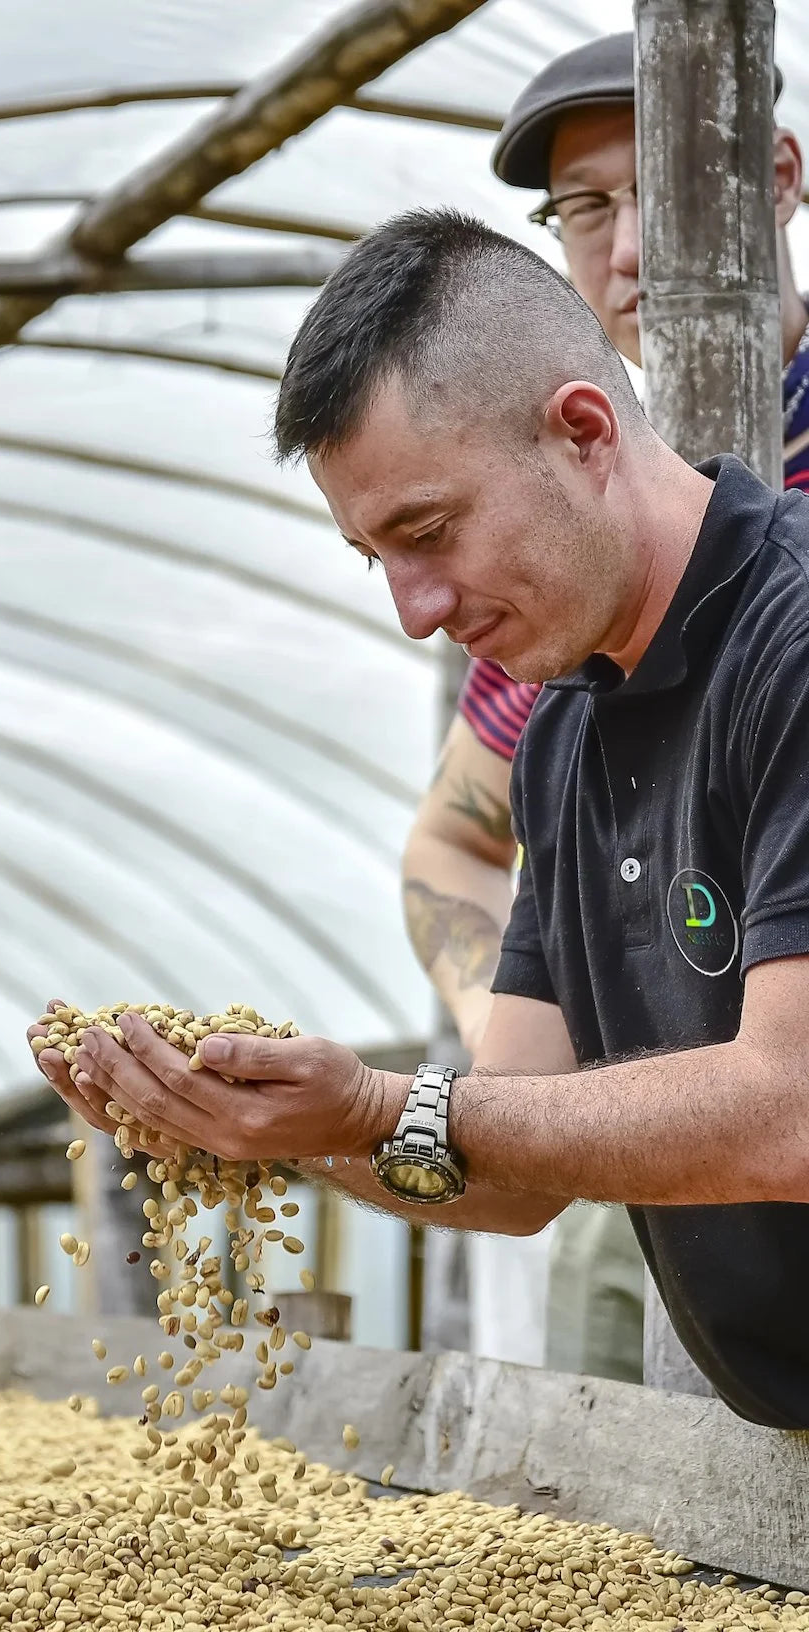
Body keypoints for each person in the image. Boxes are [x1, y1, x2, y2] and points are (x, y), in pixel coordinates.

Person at [36, 207, 809, 1429]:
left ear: (583, 432)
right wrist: (254, 1127)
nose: (414, 608)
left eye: (429, 532)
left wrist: (374, 1106)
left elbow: (793, 1109)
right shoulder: (562, 735)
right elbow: (506, 1177)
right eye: (373, 557)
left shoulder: (793, 644)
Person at [401, 30, 809, 1383]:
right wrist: (548, 1070)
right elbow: (452, 840)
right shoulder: (578, 582)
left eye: (665, 194)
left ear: (779, 184)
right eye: (585, 208)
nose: (628, 249)